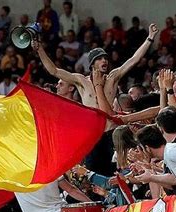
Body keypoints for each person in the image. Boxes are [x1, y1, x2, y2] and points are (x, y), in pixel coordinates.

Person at [32, 23, 159, 176]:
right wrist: (39, 49)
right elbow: (54, 70)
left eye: (105, 58)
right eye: (100, 59)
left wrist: (150, 38)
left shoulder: (113, 78)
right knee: (93, 174)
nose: (104, 61)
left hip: (112, 134)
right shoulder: (81, 81)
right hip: (92, 136)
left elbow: (133, 60)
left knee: (116, 174)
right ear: (92, 64)